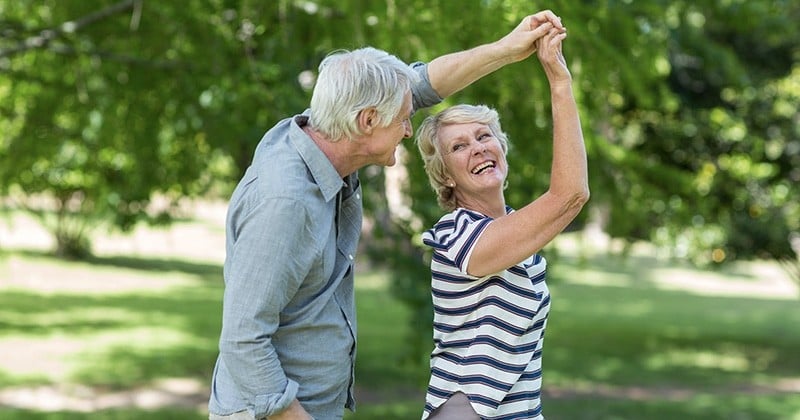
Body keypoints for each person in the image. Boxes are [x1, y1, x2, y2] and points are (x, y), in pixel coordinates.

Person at [207, 10, 566, 420]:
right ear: (368, 121)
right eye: (403, 119)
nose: (409, 130)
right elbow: (243, 341)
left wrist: (506, 49)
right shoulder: (285, 201)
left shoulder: (328, 131)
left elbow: (423, 83)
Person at [414, 20, 589, 420]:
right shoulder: (454, 236)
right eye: (459, 146)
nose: (477, 148)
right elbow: (570, 195)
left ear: (502, 150)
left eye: (484, 136)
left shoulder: (519, 237)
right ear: (445, 175)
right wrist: (559, 81)